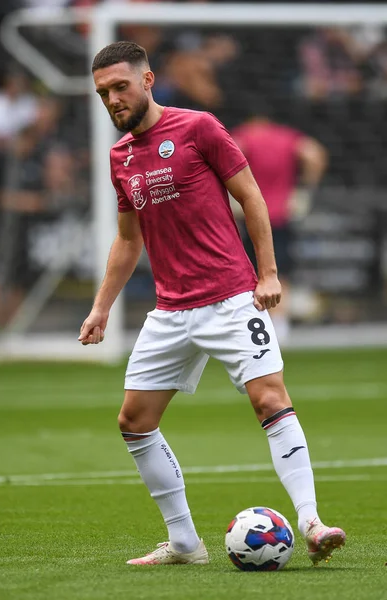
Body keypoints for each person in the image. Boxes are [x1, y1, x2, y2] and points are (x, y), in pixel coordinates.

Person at [79, 41, 345, 566]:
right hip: (171, 310)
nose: (112, 99)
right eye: (103, 92)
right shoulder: (120, 157)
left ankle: (311, 521)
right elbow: (129, 239)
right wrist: (101, 307)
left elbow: (251, 197)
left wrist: (267, 273)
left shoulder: (198, 127)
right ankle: (184, 542)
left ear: (148, 80)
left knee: (270, 399)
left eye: (120, 87)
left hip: (230, 299)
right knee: (133, 420)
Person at [232, 111, 328, 344]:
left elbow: (228, 157)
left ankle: (257, 325)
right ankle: (279, 325)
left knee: (250, 273)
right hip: (282, 214)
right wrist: (304, 189)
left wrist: (230, 195)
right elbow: (315, 154)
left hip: (252, 216)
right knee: (279, 270)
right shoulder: (287, 137)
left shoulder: (245, 136)